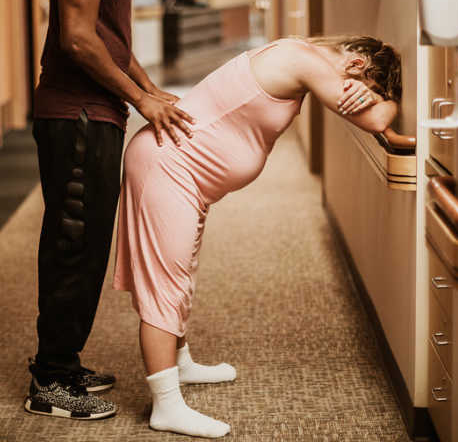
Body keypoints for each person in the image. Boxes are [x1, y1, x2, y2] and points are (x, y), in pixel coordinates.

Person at [113, 35, 402, 437]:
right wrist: (388, 104)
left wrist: (372, 94)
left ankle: (180, 362)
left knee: (182, 272)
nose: (356, 98)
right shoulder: (304, 60)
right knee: (166, 284)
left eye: (365, 96)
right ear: (354, 67)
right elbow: (376, 120)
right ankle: (166, 406)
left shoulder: (303, 53)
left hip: (184, 172)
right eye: (364, 90)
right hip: (170, 168)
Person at [25, 0, 194, 420]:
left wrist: (150, 89)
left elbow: (110, 39)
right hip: (76, 115)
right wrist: (140, 98)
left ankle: (65, 363)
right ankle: (50, 380)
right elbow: (76, 38)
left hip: (94, 113)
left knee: (89, 240)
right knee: (74, 243)